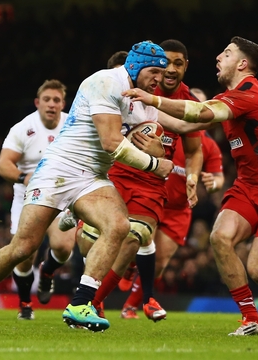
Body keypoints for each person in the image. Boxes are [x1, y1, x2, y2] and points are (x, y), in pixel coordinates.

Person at [0, 40, 175, 332]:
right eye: (155, 72)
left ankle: (81, 303)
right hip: (58, 170)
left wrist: (156, 151)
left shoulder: (146, 101)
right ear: (135, 64)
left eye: (162, 74)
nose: (159, 79)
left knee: (119, 226)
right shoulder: (105, 81)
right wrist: (154, 164)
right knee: (23, 247)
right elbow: (112, 143)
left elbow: (149, 142)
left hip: (93, 176)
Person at [124, 36, 258, 337]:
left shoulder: (250, 93)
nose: (218, 58)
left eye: (226, 53)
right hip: (248, 185)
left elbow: (196, 113)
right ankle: (251, 319)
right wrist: (137, 114)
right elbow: (184, 127)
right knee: (220, 238)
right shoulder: (231, 96)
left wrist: (151, 99)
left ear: (242, 64)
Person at [84, 39, 203, 322]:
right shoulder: (137, 84)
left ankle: (94, 303)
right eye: (165, 64)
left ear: (186, 66)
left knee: (134, 239)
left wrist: (193, 175)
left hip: (152, 182)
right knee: (89, 241)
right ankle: (105, 290)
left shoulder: (187, 102)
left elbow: (195, 146)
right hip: (117, 173)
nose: (169, 71)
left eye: (177, 64)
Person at [119, 87, 224, 319]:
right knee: (136, 245)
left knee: (160, 261)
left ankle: (131, 306)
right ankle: (126, 274)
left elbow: (218, 179)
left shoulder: (208, 146)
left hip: (178, 209)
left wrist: (211, 183)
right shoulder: (157, 126)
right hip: (152, 198)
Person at [0, 79, 75, 320]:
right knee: (23, 253)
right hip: (28, 195)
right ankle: (24, 303)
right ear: (37, 103)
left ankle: (48, 271)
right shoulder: (23, 128)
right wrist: (24, 176)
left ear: (63, 104)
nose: (52, 104)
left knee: (63, 247)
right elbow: (3, 164)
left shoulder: (73, 124)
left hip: (61, 192)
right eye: (47, 100)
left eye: (57, 100)